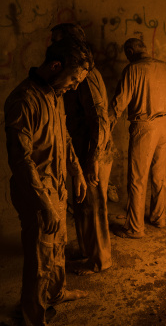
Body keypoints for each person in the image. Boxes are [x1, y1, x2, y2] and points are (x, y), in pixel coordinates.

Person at [4, 37, 91, 325]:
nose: (75, 86)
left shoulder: (55, 94)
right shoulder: (22, 101)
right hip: (36, 192)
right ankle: (32, 314)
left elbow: (63, 137)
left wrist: (76, 171)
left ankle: (55, 293)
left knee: (57, 246)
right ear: (55, 66)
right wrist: (44, 204)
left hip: (57, 187)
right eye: (74, 78)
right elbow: (21, 160)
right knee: (40, 255)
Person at [51, 23, 114, 274]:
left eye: (56, 40)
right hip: (81, 150)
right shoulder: (78, 72)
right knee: (82, 204)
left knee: (94, 205)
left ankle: (100, 260)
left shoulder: (86, 76)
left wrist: (92, 159)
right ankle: (88, 250)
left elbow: (99, 120)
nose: (51, 46)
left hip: (92, 152)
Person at [109, 38, 166, 239]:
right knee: (159, 176)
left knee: (137, 179)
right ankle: (159, 218)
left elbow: (119, 104)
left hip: (144, 127)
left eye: (127, 53)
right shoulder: (164, 68)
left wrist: (105, 125)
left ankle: (135, 228)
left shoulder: (132, 70)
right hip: (165, 125)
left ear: (131, 51)